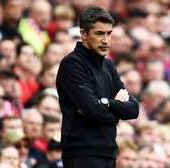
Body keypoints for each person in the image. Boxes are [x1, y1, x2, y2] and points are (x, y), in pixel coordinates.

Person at [56, 7, 139, 168]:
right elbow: (93, 111)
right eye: (99, 33)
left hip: (108, 152)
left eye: (109, 33)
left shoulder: (108, 65)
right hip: (82, 154)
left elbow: (133, 109)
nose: (105, 40)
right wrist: (116, 111)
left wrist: (107, 103)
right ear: (84, 34)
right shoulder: (72, 64)